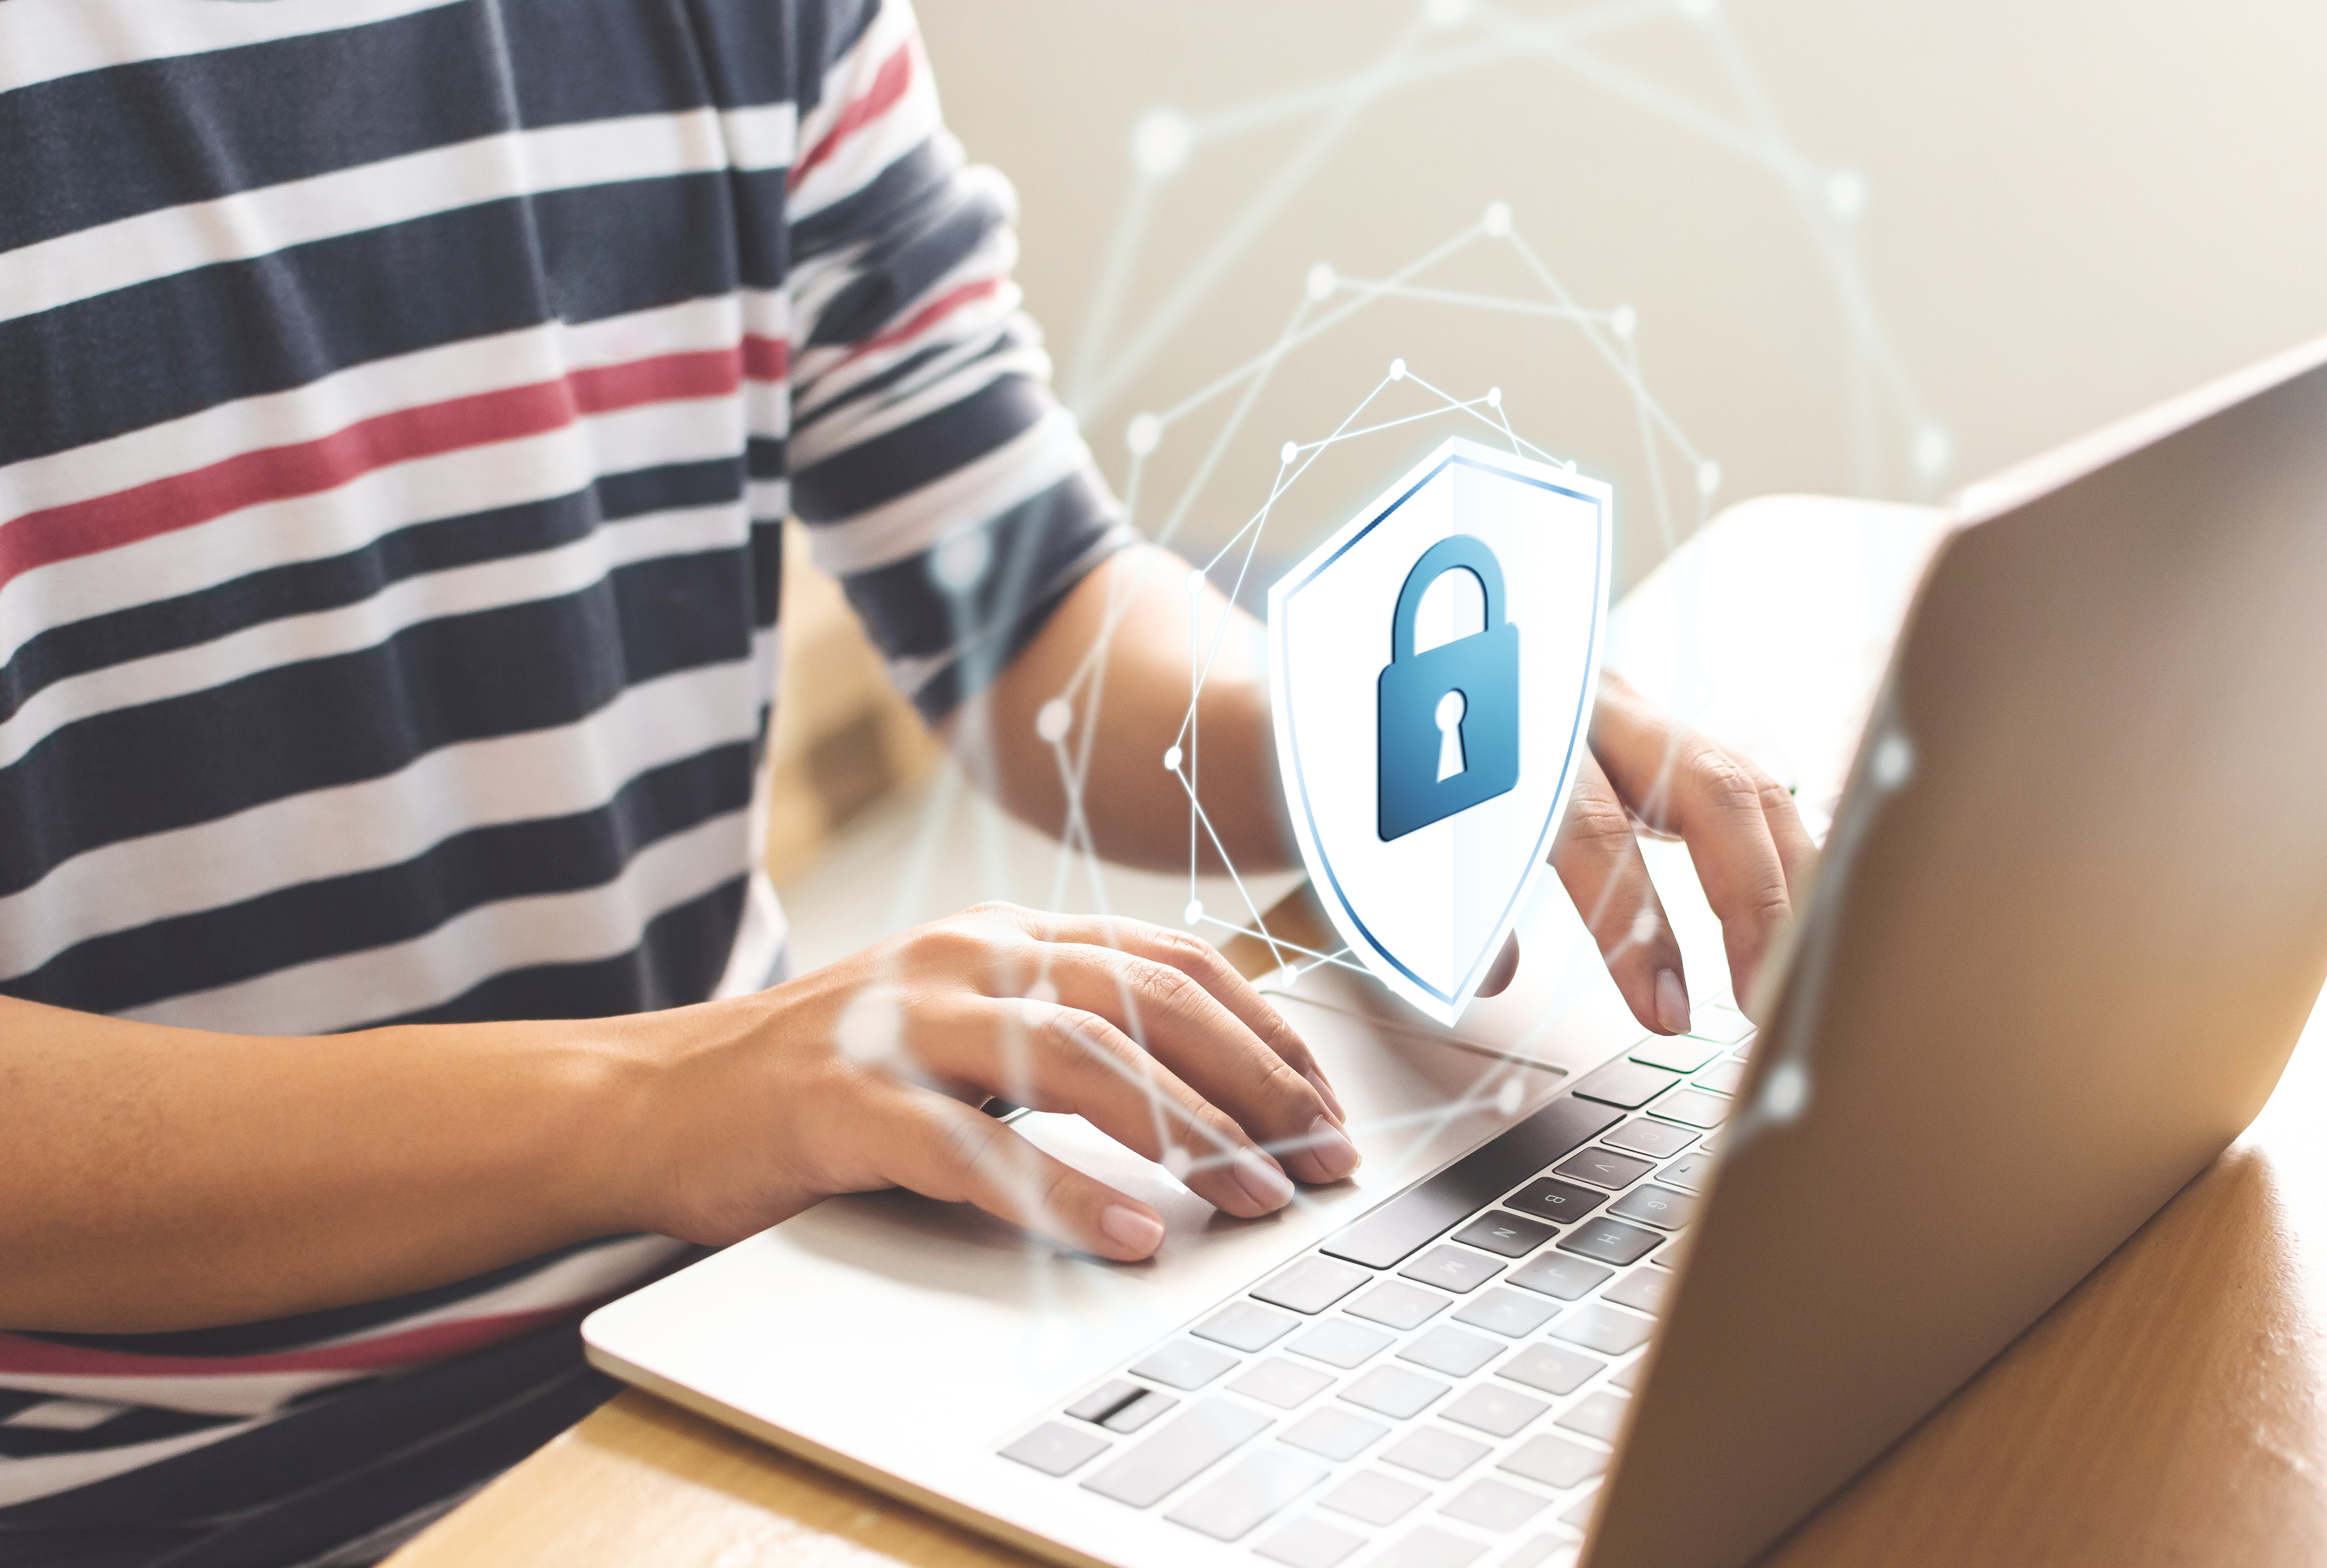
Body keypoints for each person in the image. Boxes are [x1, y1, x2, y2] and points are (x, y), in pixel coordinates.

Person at [0, 0, 1814, 1561]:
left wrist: (1359, 738)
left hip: (743, 1347)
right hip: (179, 1501)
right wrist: (666, 1100)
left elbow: (1027, 600)